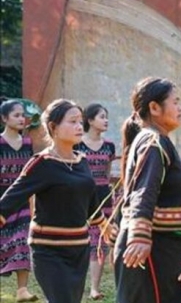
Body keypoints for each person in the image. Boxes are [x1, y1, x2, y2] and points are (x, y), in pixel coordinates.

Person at [0, 99, 105, 303]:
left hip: (79, 249)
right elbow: (10, 200)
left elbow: (90, 200)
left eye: (80, 121)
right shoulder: (42, 163)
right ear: (53, 127)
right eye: (72, 121)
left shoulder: (82, 160)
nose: (79, 126)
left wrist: (104, 225)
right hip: (48, 250)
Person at [113, 77, 181, 303]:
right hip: (151, 248)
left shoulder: (159, 142)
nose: (180, 108)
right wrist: (139, 237)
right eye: (175, 102)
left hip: (168, 247)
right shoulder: (152, 142)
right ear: (154, 108)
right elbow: (144, 191)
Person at [74, 103, 116, 301]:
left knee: (100, 241)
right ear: (90, 120)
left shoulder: (109, 146)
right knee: (81, 241)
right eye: (101, 117)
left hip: (103, 197)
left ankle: (94, 288)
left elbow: (107, 173)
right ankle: (76, 285)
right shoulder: (77, 145)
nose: (106, 120)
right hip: (81, 197)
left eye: (106, 117)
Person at [0, 99, 37, 302]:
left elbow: (30, 175)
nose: (22, 119)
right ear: (4, 118)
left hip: (21, 202)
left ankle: (22, 289)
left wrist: (33, 205)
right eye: (16, 115)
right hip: (1, 202)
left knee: (23, 241)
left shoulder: (28, 144)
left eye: (23, 115)